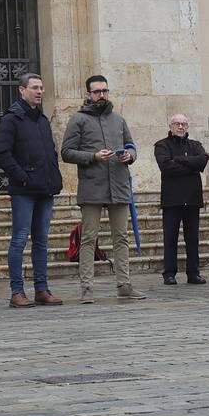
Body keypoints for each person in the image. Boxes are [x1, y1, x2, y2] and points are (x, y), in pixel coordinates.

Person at [61, 75, 147, 303]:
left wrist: (131, 156)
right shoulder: (78, 119)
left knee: (122, 237)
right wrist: (93, 156)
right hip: (92, 187)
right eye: (97, 91)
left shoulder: (118, 120)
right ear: (88, 94)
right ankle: (87, 288)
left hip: (118, 185)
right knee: (89, 238)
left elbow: (131, 146)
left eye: (105, 91)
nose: (101, 95)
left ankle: (124, 284)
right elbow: (67, 152)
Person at [0, 72, 64, 308]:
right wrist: (21, 176)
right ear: (21, 90)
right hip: (23, 190)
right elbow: (2, 153)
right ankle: (17, 291)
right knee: (20, 239)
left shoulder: (42, 120)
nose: (39, 92)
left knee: (41, 241)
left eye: (41, 88)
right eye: (34, 87)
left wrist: (55, 178)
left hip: (44, 189)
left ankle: (42, 289)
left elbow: (51, 153)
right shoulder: (12, 119)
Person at [154, 114, 209, 285]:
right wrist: (190, 166)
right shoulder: (162, 145)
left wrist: (179, 160)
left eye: (184, 123)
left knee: (192, 239)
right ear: (170, 125)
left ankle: (193, 273)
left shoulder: (195, 145)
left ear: (187, 126)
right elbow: (166, 167)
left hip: (192, 199)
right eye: (177, 124)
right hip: (172, 199)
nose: (180, 127)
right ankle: (169, 273)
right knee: (170, 238)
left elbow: (202, 161)